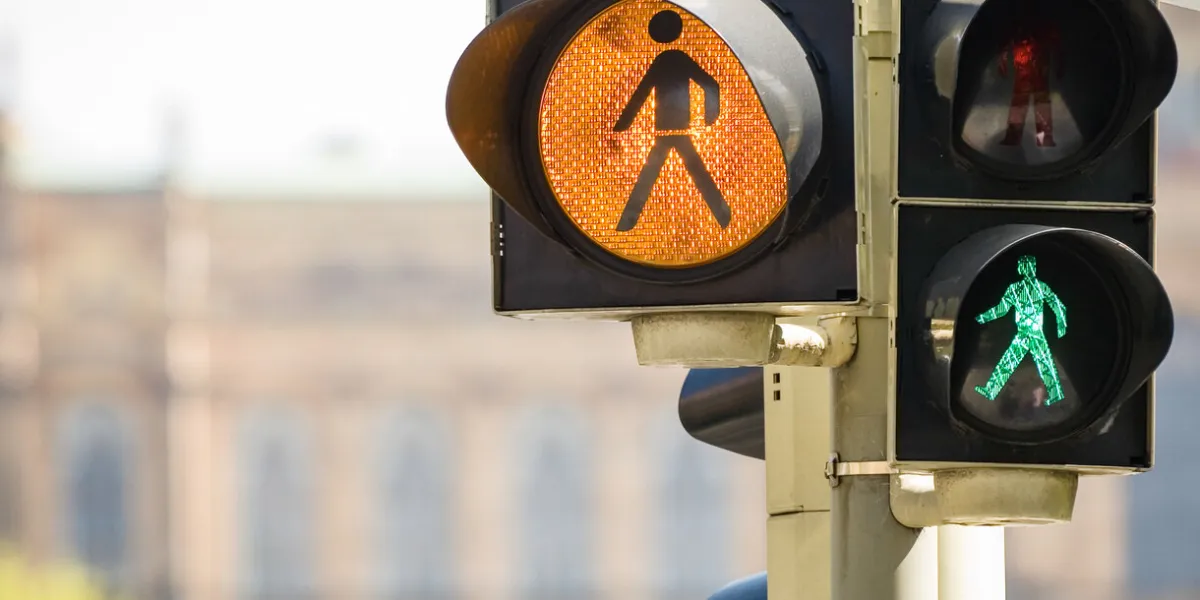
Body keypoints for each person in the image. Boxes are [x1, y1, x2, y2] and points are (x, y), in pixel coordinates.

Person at [613, 9, 729, 231]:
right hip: (671, 130)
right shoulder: (671, 59)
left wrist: (710, 117)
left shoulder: (670, 59)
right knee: (682, 171)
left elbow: (641, 93)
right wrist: (709, 117)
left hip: (672, 129)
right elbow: (643, 91)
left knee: (655, 173)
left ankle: (626, 223)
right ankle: (723, 217)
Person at [974, 255, 1068, 404]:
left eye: (1029, 266)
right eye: (1027, 266)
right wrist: (983, 317)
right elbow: (1001, 309)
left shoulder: (1035, 287)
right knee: (1031, 362)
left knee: (1031, 362)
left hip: (1032, 332)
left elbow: (1058, 305)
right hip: (1027, 331)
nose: (1028, 269)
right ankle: (991, 390)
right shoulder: (1021, 288)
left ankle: (992, 390)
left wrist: (1062, 324)